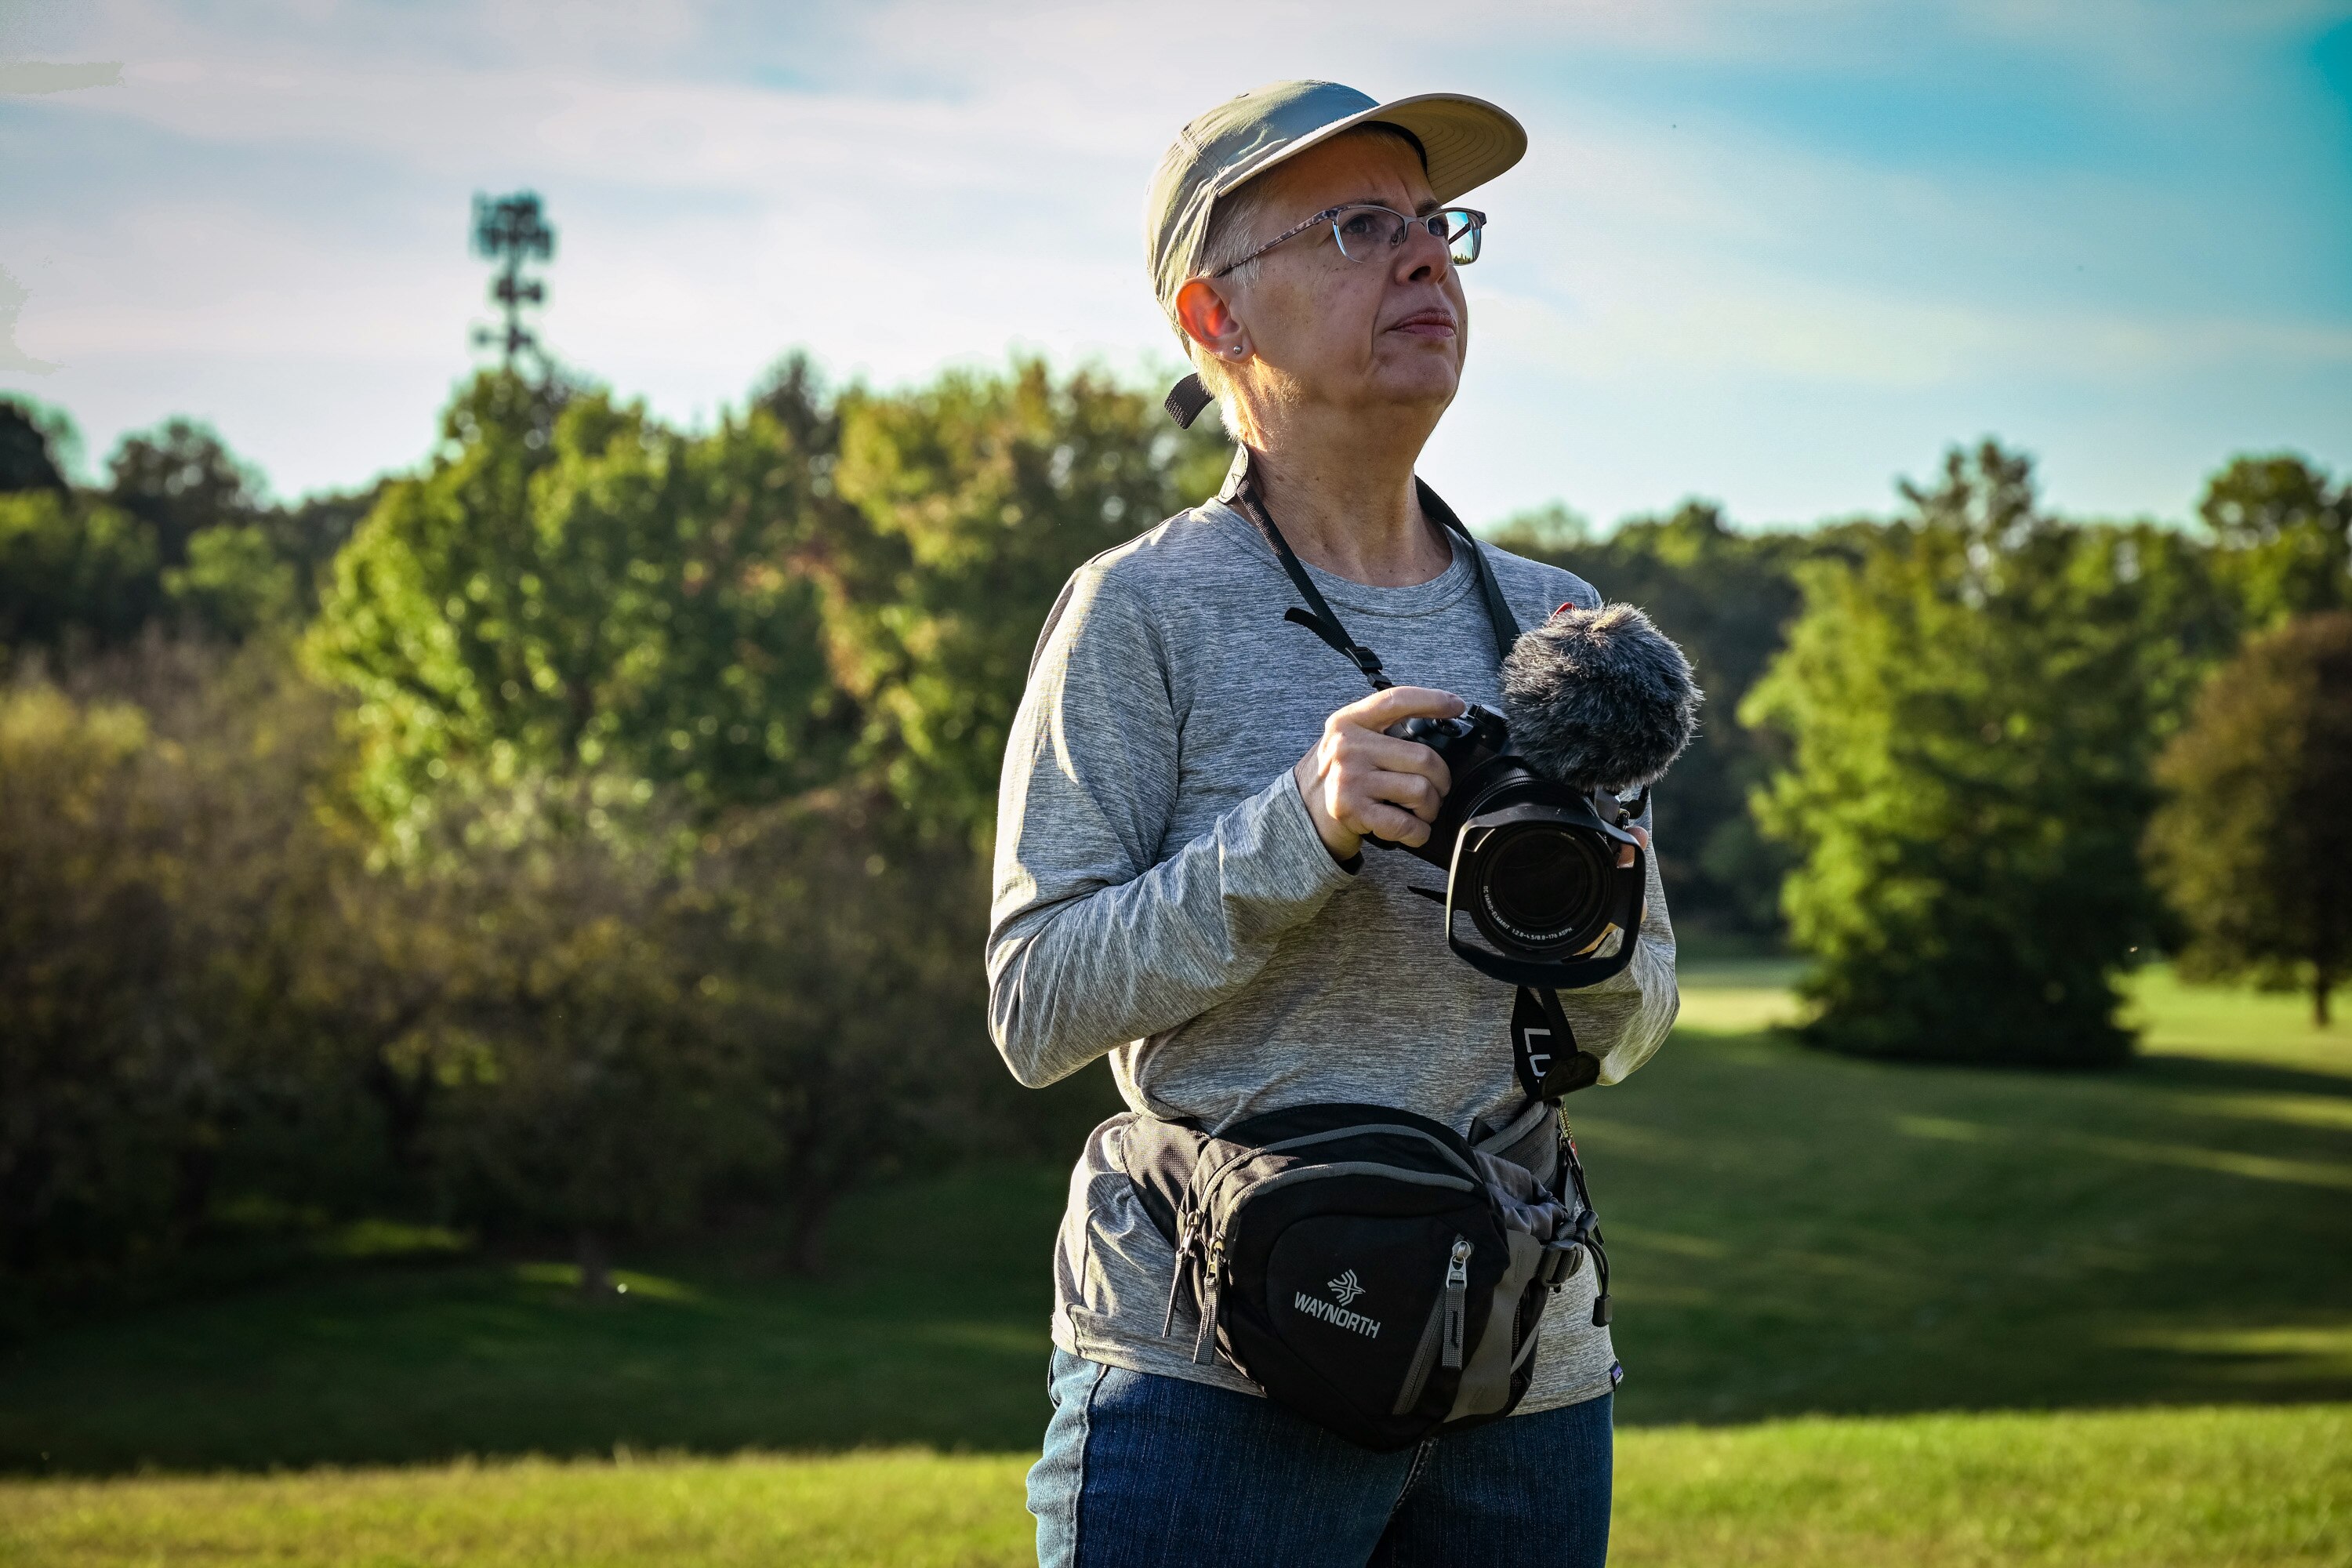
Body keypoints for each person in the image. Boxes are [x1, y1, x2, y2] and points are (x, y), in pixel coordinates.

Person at [988, 79, 1679, 1568]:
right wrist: (1297, 829)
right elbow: (1034, 1004)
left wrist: (1587, 920)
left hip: (1525, 1380)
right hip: (1210, 1382)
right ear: (1213, 316)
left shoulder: (1559, 623)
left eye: (1438, 227)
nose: (1425, 260)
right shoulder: (1140, 610)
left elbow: (1636, 1021)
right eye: (1361, 227)